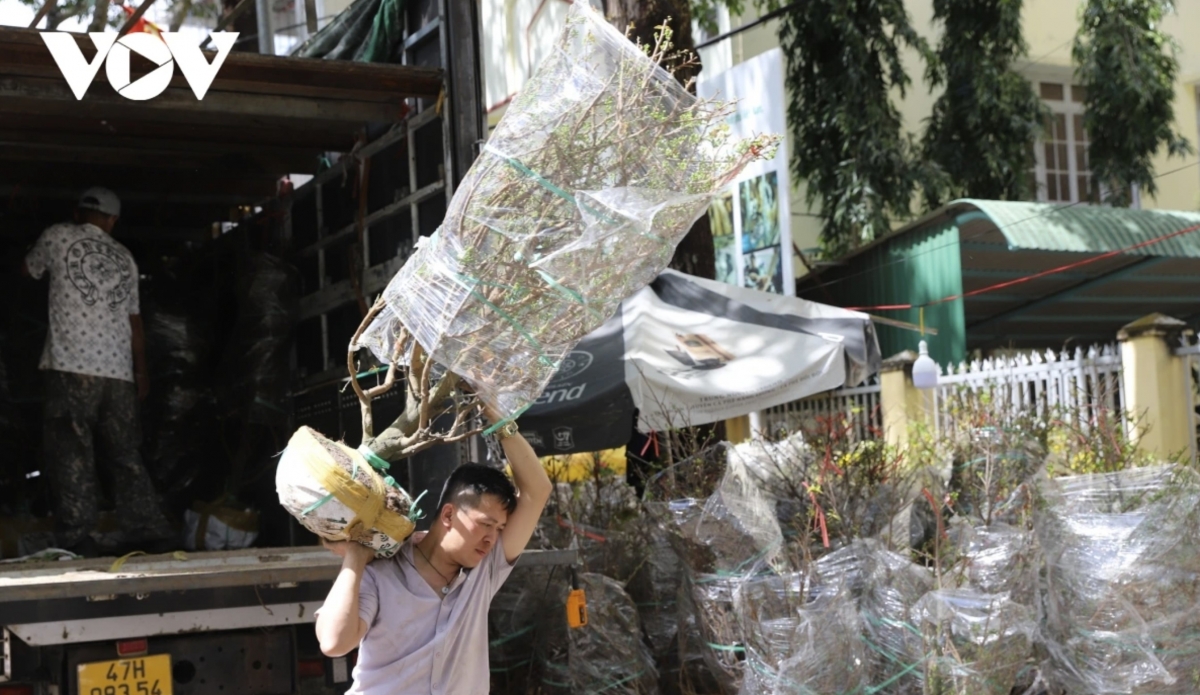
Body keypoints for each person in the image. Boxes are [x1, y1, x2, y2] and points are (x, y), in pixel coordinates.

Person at [315, 418, 552, 695]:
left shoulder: (486, 569)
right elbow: (334, 643)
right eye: (486, 524)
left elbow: (537, 491)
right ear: (449, 515)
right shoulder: (383, 569)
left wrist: (496, 415)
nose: (492, 538)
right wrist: (355, 555)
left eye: (499, 529)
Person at [21, 187, 174, 557]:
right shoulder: (125, 257)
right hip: (118, 373)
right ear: (112, 221)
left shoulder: (57, 235)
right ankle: (149, 529)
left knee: (72, 450)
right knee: (125, 453)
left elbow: (28, 273)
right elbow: (135, 322)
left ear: (78, 212)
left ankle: (78, 534)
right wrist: (141, 373)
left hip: (70, 367)